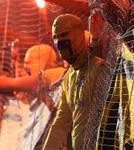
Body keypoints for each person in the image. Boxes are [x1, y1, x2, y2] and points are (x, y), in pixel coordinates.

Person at [42, 13, 106, 150]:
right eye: (55, 37)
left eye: (64, 34)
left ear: (80, 34)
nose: (60, 42)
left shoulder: (100, 68)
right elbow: (60, 124)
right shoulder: (68, 78)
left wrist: (96, 40)